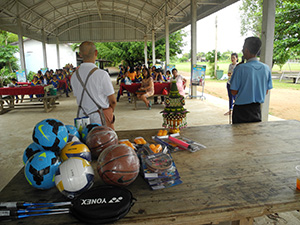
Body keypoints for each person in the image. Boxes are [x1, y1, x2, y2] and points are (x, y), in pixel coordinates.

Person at [71, 41, 116, 129]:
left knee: (84, 141)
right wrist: (110, 110)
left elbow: (78, 96)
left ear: (80, 54)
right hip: (100, 119)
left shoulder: (74, 75)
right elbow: (113, 101)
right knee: (103, 141)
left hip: (82, 118)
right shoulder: (102, 74)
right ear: (96, 53)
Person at [230, 37, 273, 124]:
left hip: (241, 111)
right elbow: (266, 91)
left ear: (246, 50)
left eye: (243, 48)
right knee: (254, 136)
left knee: (238, 136)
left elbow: (234, 91)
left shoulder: (240, 68)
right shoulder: (266, 68)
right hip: (256, 110)